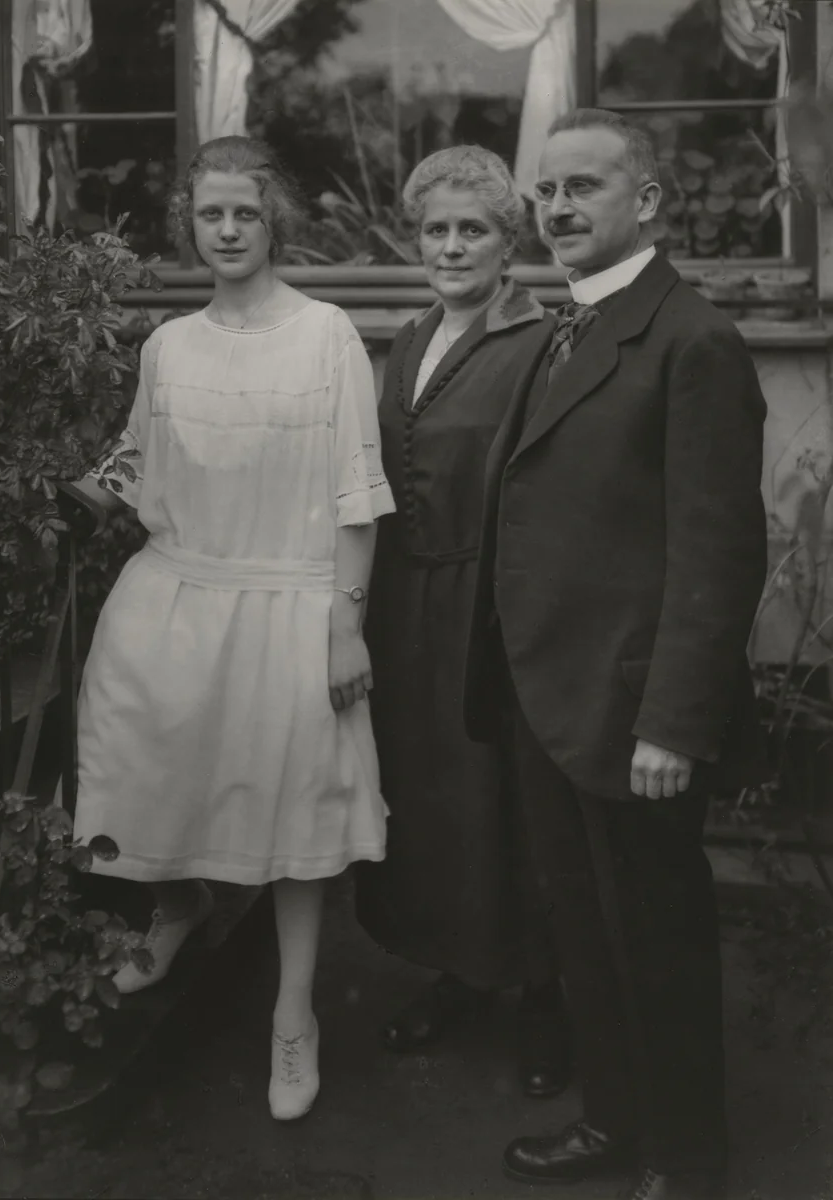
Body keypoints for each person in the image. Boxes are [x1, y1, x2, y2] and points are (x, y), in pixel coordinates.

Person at [59, 135, 395, 1123]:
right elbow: (137, 457)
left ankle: (293, 1016)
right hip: (173, 598)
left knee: (293, 819)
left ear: (273, 220)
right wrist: (68, 503)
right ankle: (177, 907)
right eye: (212, 213)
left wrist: (345, 629)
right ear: (190, 226)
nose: (230, 229)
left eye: (247, 211)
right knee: (148, 771)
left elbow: (358, 496)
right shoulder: (168, 346)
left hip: (290, 604)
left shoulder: (326, 336)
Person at [465, 110, 768, 1199]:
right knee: (585, 935)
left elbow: (719, 552)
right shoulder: (570, 326)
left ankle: (686, 1164)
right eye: (546, 190)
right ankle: (613, 1123)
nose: (556, 208)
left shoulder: (691, 340)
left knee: (657, 943)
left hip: (634, 714)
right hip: (549, 697)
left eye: (583, 187)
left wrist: (674, 724)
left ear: (645, 203)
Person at [354, 146, 569, 1099]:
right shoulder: (407, 341)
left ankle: (546, 998)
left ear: (507, 242)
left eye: (471, 230)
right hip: (407, 609)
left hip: (492, 610)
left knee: (510, 804)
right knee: (434, 800)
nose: (450, 246)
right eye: (435, 229)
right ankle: (460, 974)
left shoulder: (543, 342)